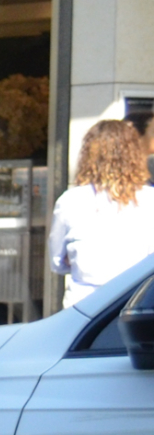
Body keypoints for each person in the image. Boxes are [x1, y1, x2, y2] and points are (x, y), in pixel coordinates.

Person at [48, 117, 154, 299]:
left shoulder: (70, 201)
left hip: (83, 306)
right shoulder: (150, 199)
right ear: (135, 156)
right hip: (134, 302)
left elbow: (56, 262)